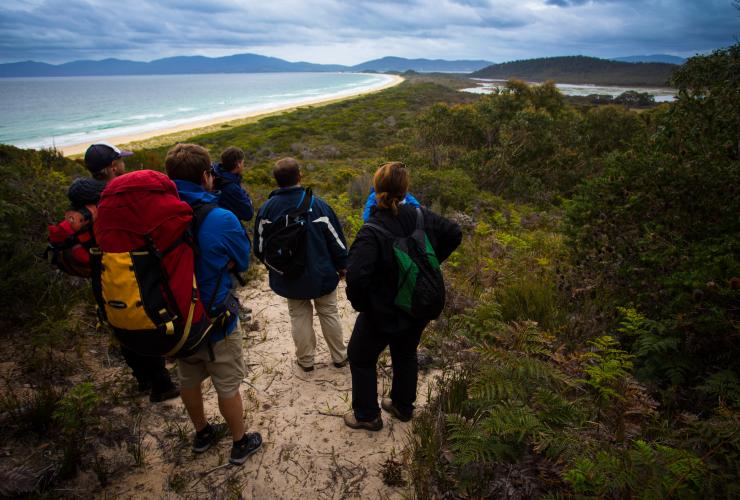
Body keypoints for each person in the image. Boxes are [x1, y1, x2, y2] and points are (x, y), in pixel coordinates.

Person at [344, 162, 462, 430]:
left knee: (361, 357)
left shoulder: (371, 229)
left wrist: (364, 305)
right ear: (405, 189)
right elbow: (454, 232)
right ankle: (402, 406)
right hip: (418, 304)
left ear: (376, 190)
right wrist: (430, 263)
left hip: (383, 309)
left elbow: (357, 277)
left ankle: (366, 416)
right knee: (406, 353)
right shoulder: (421, 215)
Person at [164, 143, 262, 465]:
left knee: (188, 379)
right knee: (227, 383)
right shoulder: (221, 218)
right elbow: (243, 263)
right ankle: (240, 441)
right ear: (207, 176)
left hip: (175, 319)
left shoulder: (157, 217)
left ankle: (203, 433)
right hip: (215, 317)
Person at [68, 143, 179, 403]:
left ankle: (142, 378)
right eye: (120, 161)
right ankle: (161, 384)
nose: (124, 165)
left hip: (99, 268)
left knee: (117, 318)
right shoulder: (114, 194)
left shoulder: (82, 195)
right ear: (111, 168)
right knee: (142, 316)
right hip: (127, 263)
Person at [253, 157, 348, 372]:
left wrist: (276, 268)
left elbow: (259, 248)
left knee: (298, 316)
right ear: (299, 177)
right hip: (321, 274)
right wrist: (343, 266)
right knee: (329, 312)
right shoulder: (319, 205)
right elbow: (337, 241)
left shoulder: (267, 209)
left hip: (288, 276)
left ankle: (305, 361)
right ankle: (340, 357)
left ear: (276, 181)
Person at [212, 146, 254, 223]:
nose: (243, 165)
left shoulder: (215, 174)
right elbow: (248, 214)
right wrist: (248, 199)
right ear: (238, 164)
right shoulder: (231, 187)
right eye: (242, 162)